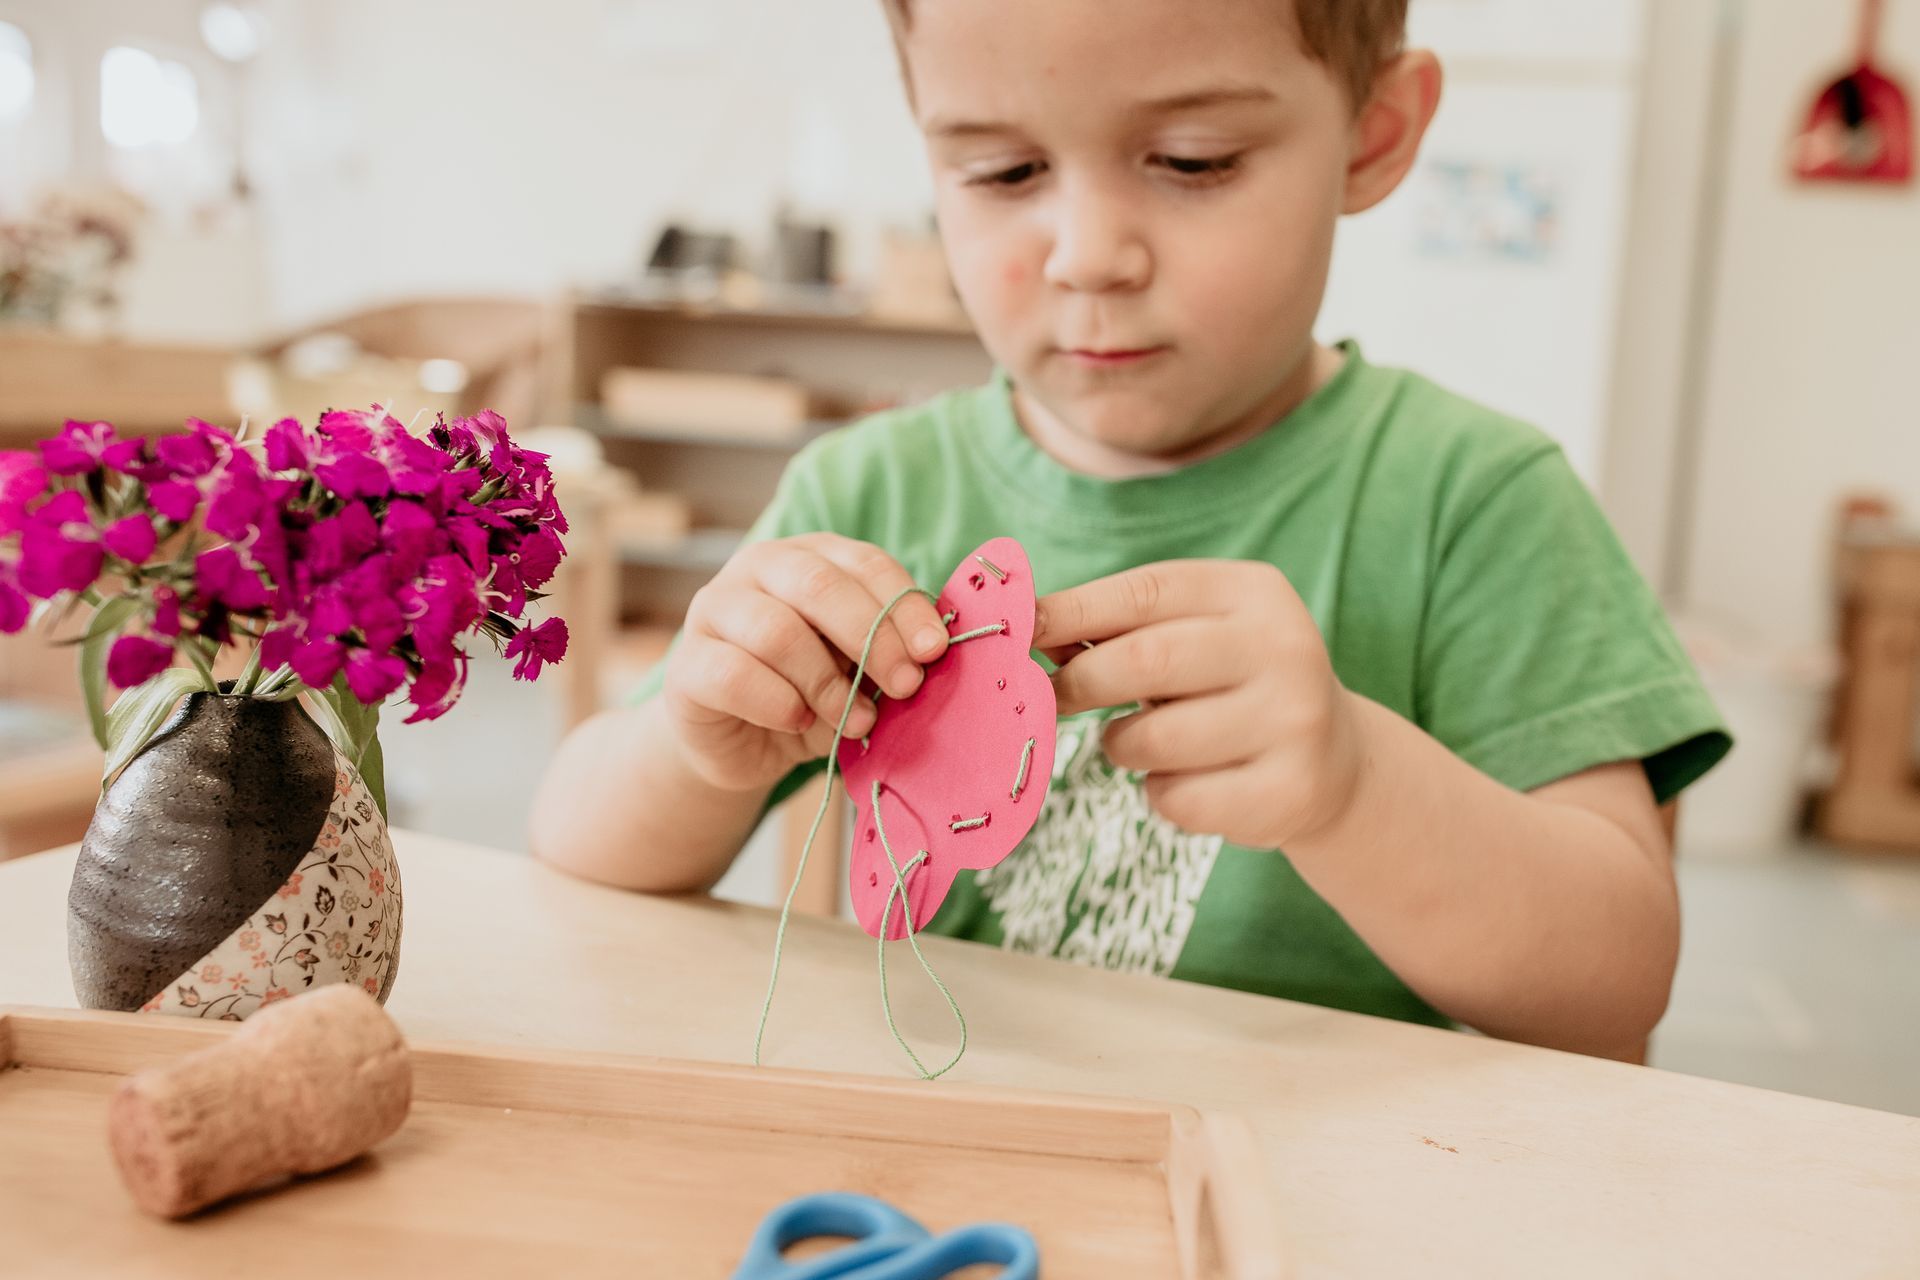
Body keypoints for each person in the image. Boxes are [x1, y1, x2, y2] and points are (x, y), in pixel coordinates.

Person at [531, 0, 1730, 1061]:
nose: (1088, 254)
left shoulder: (1476, 501)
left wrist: (1356, 790)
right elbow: (575, 844)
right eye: (1002, 171)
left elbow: (1619, 972)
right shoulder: (867, 488)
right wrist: (692, 750)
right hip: (927, 1182)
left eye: (1192, 160)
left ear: (1375, 131)